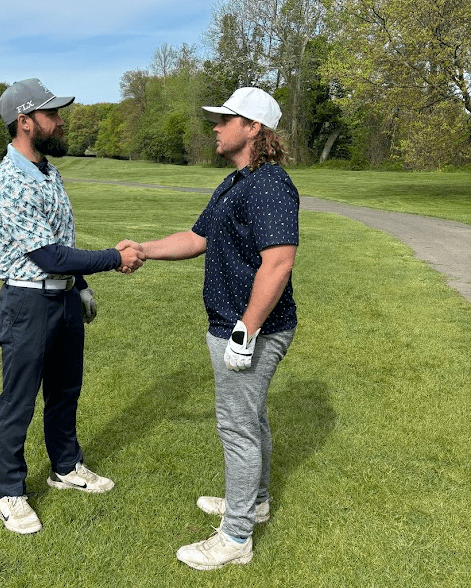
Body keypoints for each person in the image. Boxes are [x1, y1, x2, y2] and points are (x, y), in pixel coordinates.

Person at [118, 87, 299, 569]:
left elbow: (278, 263)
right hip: (234, 324)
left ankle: (236, 538)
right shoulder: (236, 182)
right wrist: (144, 249)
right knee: (251, 420)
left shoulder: (270, 184)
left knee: (238, 428)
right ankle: (255, 503)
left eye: (225, 119)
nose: (216, 127)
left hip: (252, 329)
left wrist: (246, 330)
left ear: (253, 128)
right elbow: (197, 237)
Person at [0, 78, 145, 535]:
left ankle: (65, 466)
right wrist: (113, 258)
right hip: (28, 301)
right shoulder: (11, 180)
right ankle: (8, 492)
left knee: (65, 389)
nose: (59, 121)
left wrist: (80, 286)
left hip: (64, 297)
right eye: (51, 114)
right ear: (25, 121)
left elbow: (62, 243)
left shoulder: (47, 172)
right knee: (18, 398)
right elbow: (48, 256)